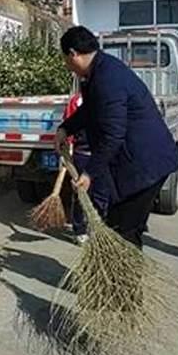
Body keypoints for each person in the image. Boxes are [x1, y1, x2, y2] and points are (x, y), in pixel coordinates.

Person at [55, 26, 178, 249]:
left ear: (73, 53)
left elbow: (113, 135)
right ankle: (117, 280)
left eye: (65, 60)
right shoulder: (98, 72)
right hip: (133, 162)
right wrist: (66, 128)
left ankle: (124, 281)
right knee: (119, 222)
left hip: (144, 164)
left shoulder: (107, 78)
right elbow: (90, 110)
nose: (66, 66)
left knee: (124, 230)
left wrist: (88, 173)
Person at [62, 92, 111, 246]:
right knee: (81, 194)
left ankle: (99, 227)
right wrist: (67, 147)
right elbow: (69, 120)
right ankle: (79, 230)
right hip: (82, 153)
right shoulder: (78, 100)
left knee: (102, 194)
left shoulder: (111, 99)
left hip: (102, 156)